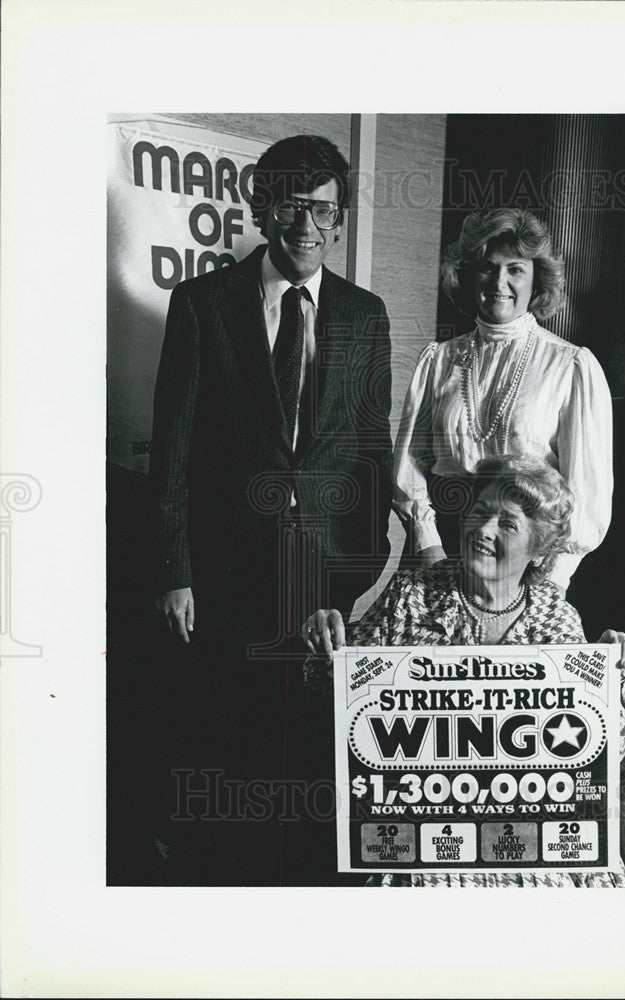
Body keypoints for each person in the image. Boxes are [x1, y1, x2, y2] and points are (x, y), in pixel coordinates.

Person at [146, 134, 393, 885]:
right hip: (224, 568)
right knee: (226, 726)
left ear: (340, 218)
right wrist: (176, 572)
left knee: (307, 735)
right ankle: (222, 875)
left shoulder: (363, 314)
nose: (307, 223)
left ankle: (298, 881)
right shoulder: (201, 304)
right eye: (292, 203)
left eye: (323, 208)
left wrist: (350, 577)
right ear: (262, 206)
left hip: (321, 571)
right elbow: (174, 451)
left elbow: (371, 453)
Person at [303, 455, 625, 887]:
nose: (483, 529)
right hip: (425, 830)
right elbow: (338, 699)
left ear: (538, 550)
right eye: (480, 512)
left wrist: (616, 676)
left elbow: (610, 748)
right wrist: (328, 650)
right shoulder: (412, 594)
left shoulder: (558, 617)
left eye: (507, 523)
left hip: (531, 831)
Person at [393, 207, 612, 596]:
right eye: (487, 267)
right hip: (439, 547)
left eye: (515, 269)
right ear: (468, 275)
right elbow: (411, 463)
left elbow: (586, 494)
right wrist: (429, 547)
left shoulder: (570, 366)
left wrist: (550, 581)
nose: (499, 282)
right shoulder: (437, 359)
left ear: (536, 282)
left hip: (525, 559)